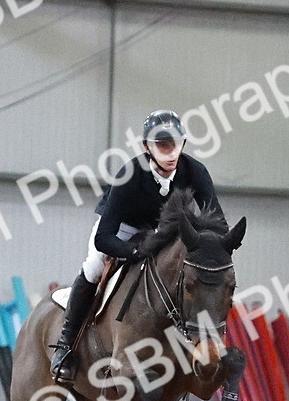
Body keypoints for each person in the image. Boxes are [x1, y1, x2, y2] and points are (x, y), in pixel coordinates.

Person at [50, 109, 222, 384]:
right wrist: (134, 252)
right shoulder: (129, 175)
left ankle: (201, 338)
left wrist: (209, 250)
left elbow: (218, 223)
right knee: (94, 267)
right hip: (123, 229)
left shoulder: (195, 172)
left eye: (176, 144)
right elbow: (103, 237)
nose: (171, 153)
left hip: (166, 232)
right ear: (147, 147)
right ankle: (65, 346)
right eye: (162, 145)